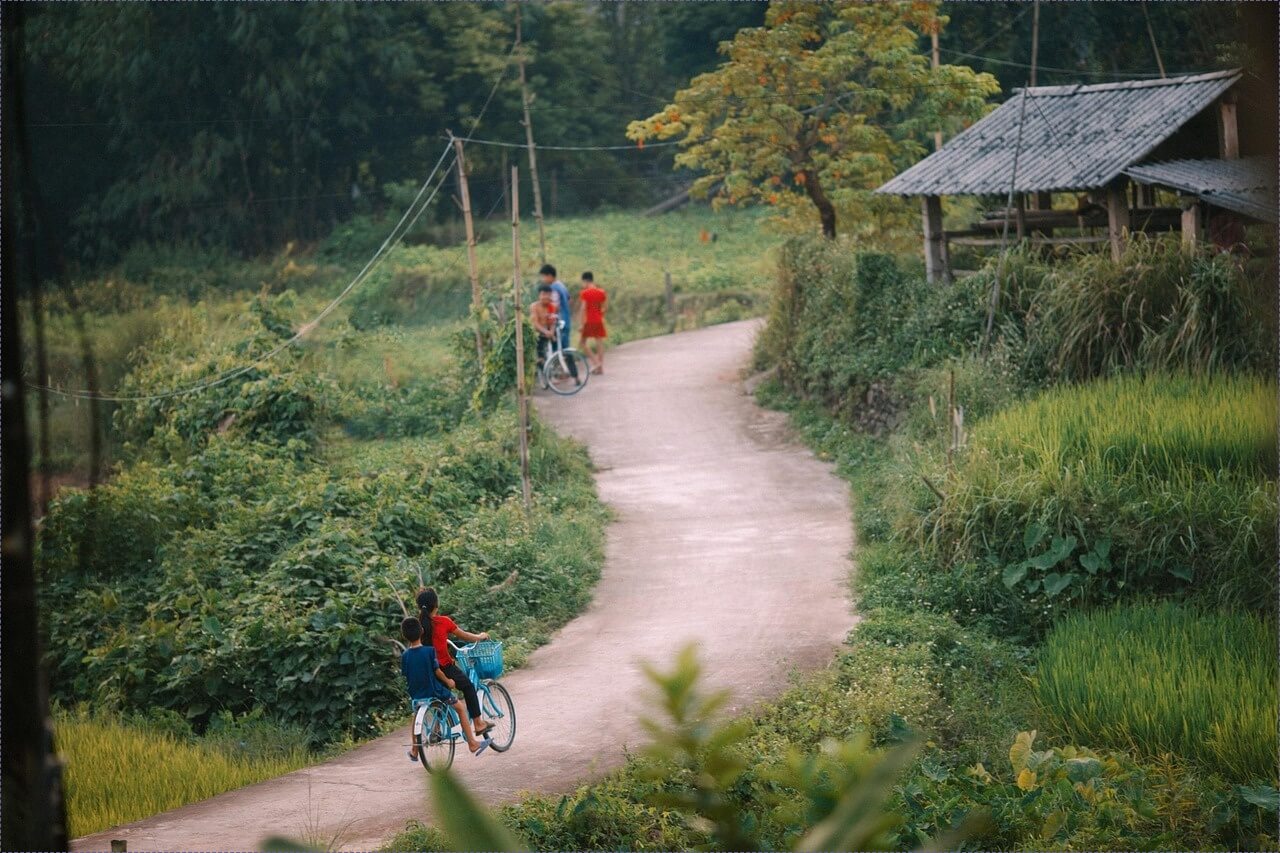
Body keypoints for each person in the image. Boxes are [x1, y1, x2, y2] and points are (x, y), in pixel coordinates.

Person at [400, 616, 489, 761]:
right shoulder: (429, 651)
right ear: (422, 631)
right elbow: (437, 672)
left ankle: (415, 750)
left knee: (416, 715)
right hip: (435, 691)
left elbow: (406, 674)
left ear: (404, 635)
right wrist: (449, 682)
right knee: (460, 708)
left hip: (416, 695)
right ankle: (472, 743)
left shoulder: (405, 656)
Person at [416, 587, 496, 740]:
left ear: (420, 607)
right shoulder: (443, 622)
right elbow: (465, 636)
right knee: (468, 686)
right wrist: (480, 636)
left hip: (427, 670)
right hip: (445, 667)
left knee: (440, 696)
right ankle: (478, 724)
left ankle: (437, 729)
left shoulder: (418, 625)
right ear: (436, 604)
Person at [540, 263, 580, 384]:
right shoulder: (561, 285)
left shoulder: (554, 289)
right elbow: (569, 299)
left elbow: (555, 306)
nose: (543, 279)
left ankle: (562, 375)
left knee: (558, 349)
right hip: (566, 321)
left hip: (559, 323)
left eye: (544, 276)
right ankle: (573, 376)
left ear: (550, 276)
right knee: (564, 349)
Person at [577, 271, 608, 375]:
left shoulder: (585, 293)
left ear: (585, 281)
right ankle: (600, 367)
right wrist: (600, 315)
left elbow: (583, 308)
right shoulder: (601, 292)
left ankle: (596, 363)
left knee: (582, 343)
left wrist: (581, 324)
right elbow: (604, 308)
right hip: (599, 320)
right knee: (599, 342)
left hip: (589, 321)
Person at [530, 284, 559, 372]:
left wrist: (551, 332)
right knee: (540, 354)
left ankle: (556, 368)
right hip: (538, 332)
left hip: (549, 331)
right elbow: (535, 323)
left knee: (557, 346)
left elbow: (553, 321)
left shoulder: (552, 306)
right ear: (539, 295)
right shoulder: (534, 306)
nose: (546, 297)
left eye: (548, 295)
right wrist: (546, 332)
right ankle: (542, 367)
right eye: (543, 294)